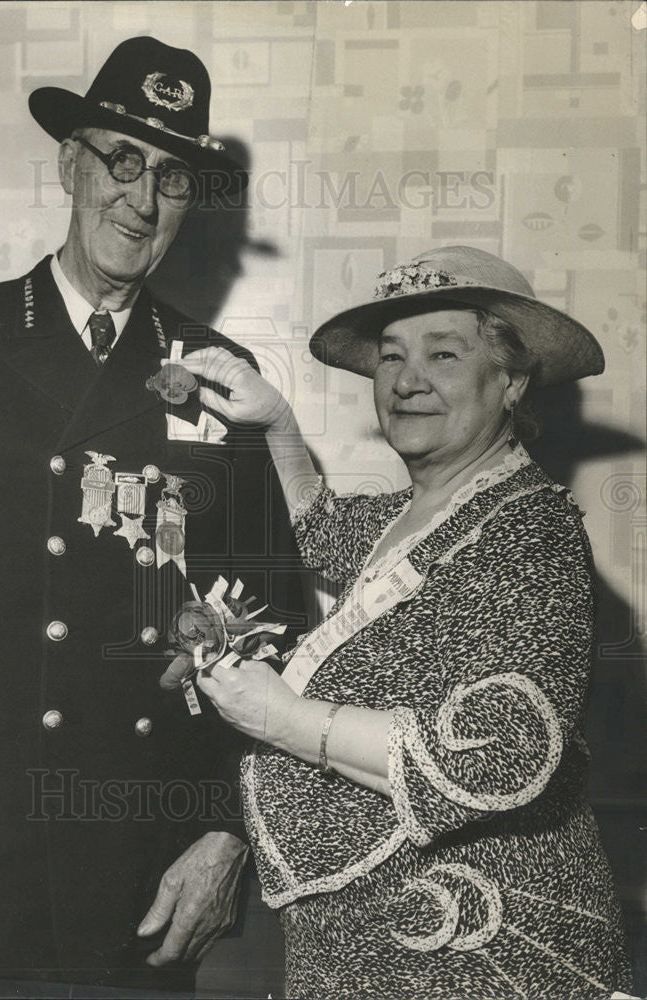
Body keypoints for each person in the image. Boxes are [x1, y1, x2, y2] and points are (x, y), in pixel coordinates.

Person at [0, 36, 303, 994]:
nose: (140, 200)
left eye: (172, 177)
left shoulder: (221, 373)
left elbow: (268, 620)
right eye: (121, 161)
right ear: (69, 163)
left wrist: (227, 830)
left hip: (141, 854)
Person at [179, 245, 635, 999]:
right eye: (391, 357)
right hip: (375, 944)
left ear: (511, 380)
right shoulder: (415, 512)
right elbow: (323, 531)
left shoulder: (533, 532)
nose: (406, 380)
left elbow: (507, 752)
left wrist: (285, 719)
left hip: (483, 952)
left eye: (443, 354)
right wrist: (279, 423)